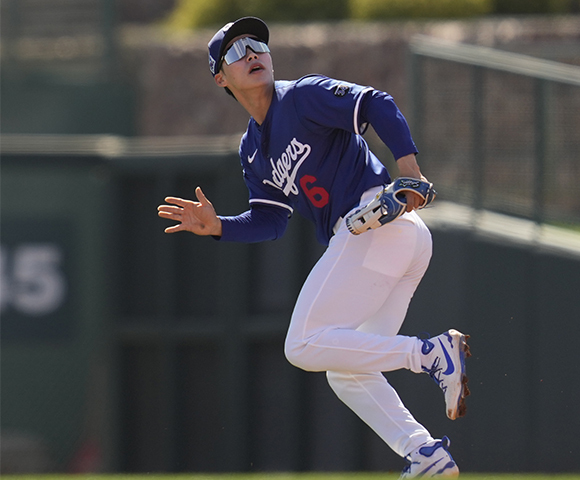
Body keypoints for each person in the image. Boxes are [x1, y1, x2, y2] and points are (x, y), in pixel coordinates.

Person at [157, 17, 470, 478]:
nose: (253, 52)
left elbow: (376, 103)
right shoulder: (251, 150)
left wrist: (411, 171)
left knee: (301, 344)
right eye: (237, 49)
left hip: (378, 221)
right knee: (344, 366)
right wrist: (219, 226)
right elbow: (270, 220)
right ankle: (425, 454)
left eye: (258, 43)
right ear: (221, 78)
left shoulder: (300, 96)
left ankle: (429, 355)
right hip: (389, 243)